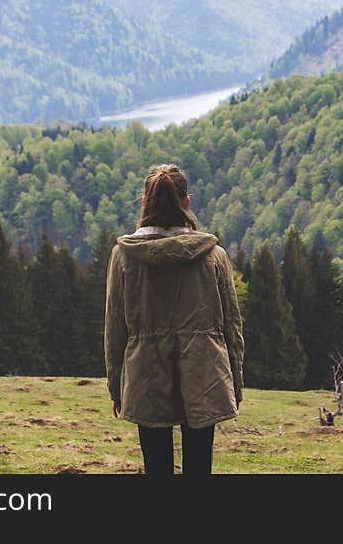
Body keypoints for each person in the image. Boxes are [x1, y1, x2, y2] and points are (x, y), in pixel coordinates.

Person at [104, 164, 245, 475]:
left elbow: (115, 328)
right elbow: (231, 326)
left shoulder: (124, 257)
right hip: (206, 374)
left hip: (145, 375)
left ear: (144, 203)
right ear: (187, 202)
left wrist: (116, 388)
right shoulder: (213, 256)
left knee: (156, 468)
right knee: (199, 468)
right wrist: (235, 381)